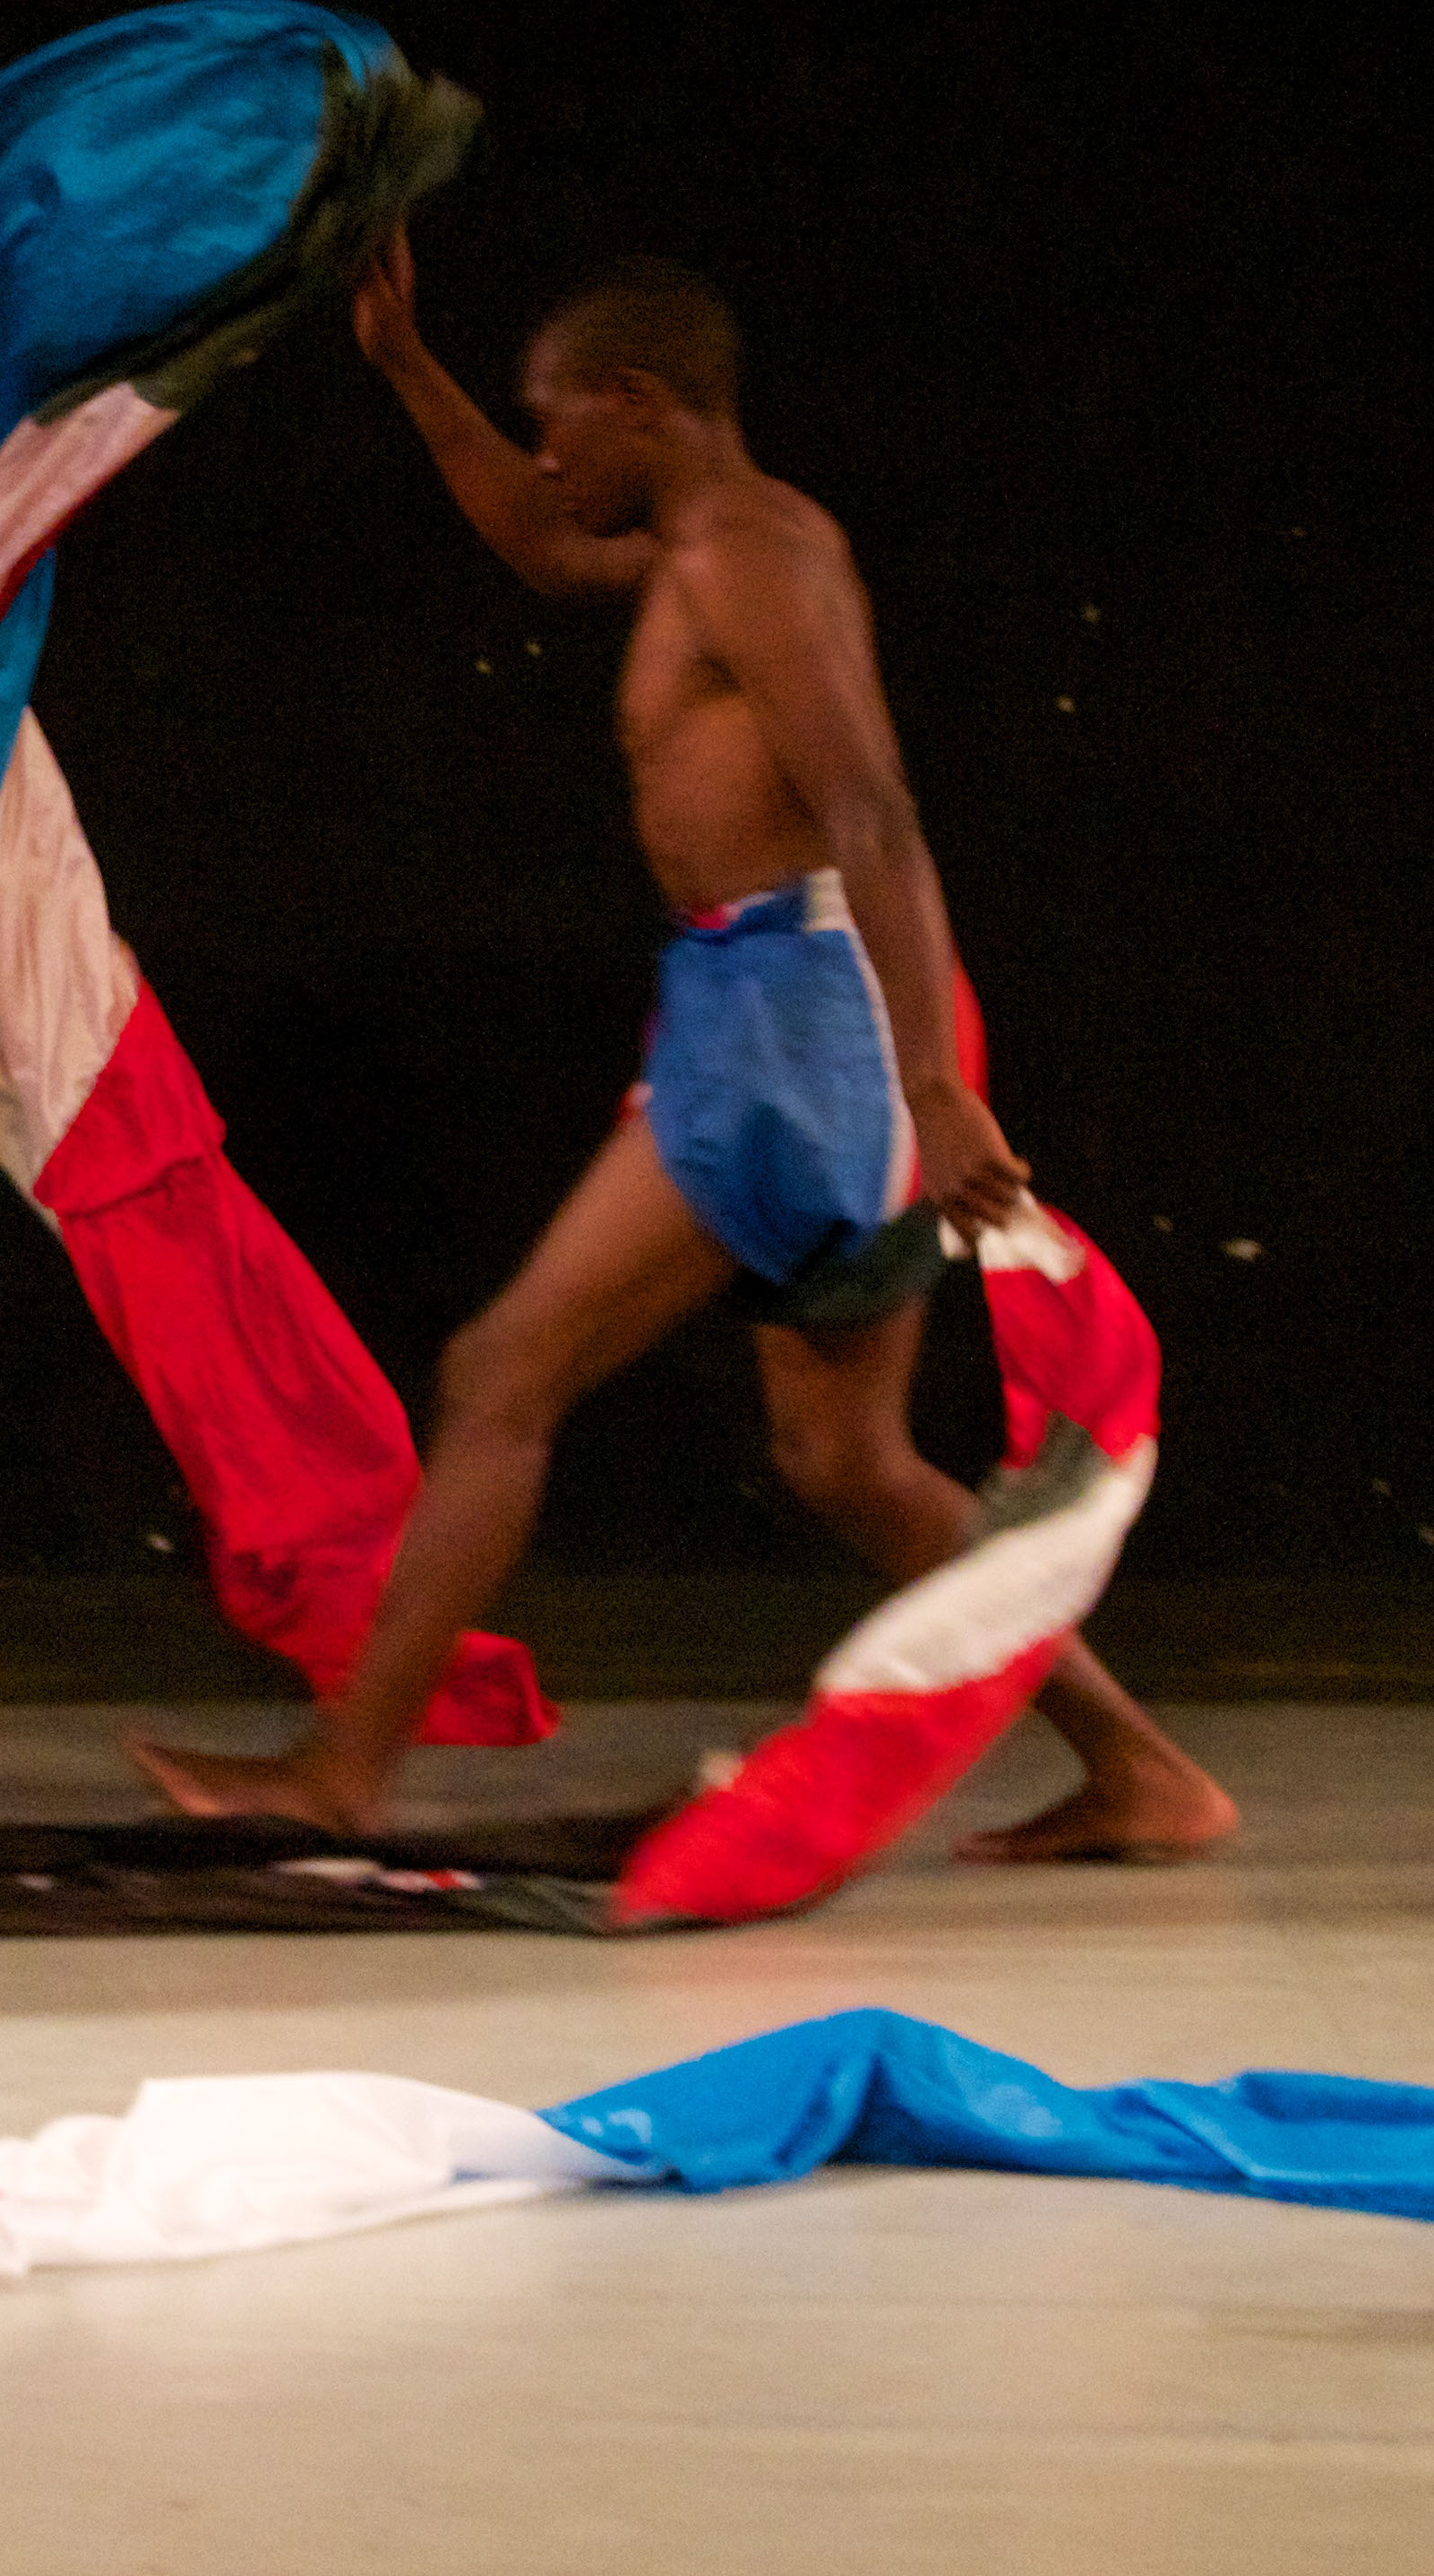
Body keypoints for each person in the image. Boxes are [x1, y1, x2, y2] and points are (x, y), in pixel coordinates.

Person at [124, 239, 1236, 1864]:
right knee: (844, 1457)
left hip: (803, 1022)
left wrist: (933, 1081)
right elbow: (532, 538)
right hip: (765, 997)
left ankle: (342, 1775)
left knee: (501, 1371)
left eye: (555, 419)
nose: (546, 458)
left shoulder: (753, 554)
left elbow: (871, 809)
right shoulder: (688, 551)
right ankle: (1141, 1772)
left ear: (639, 400)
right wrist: (403, 361)